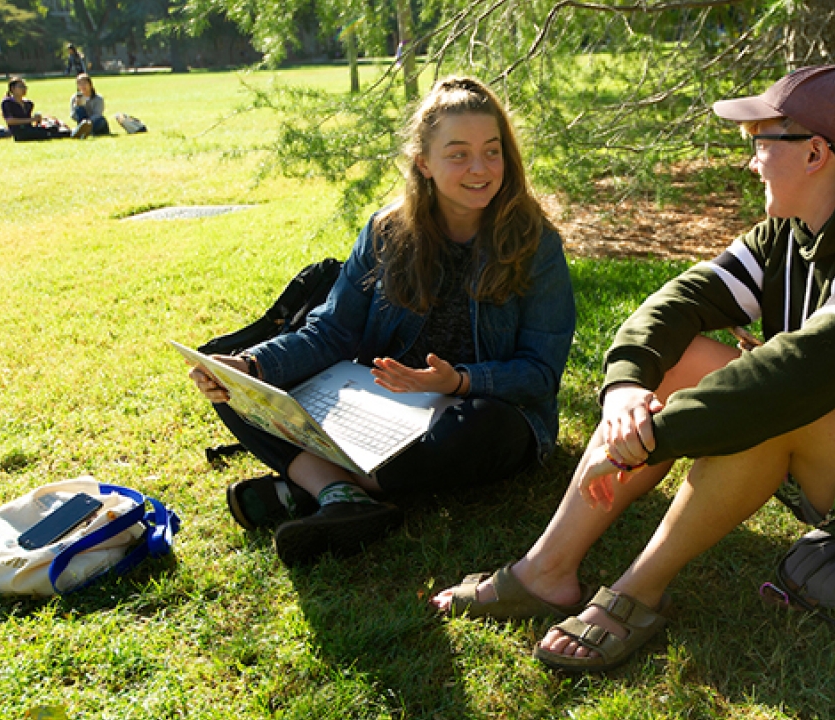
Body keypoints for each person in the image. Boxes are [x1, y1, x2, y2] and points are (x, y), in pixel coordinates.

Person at [432, 65, 835, 672]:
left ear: (815, 154)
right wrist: (625, 395)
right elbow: (676, 304)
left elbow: (808, 372)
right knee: (686, 361)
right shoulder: (791, 233)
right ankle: (547, 571)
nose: (749, 161)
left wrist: (657, 436)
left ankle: (636, 593)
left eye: (759, 143)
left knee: (780, 400)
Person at [187, 76, 576, 567]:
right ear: (424, 163)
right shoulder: (385, 232)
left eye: (492, 151)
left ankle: (318, 486)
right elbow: (332, 331)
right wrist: (250, 366)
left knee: (485, 429)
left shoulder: (534, 243)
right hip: (379, 410)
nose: (480, 168)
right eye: (458, 154)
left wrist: (458, 381)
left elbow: (540, 373)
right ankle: (341, 494)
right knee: (235, 383)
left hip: (471, 415)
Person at [1, 77, 89, 141]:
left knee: (51, 128)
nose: (24, 89)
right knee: (45, 133)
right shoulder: (7, 103)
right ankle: (74, 133)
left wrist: (38, 120)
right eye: (21, 87)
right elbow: (10, 120)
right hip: (19, 133)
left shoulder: (28, 104)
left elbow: (29, 121)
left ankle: (73, 132)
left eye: (25, 87)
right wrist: (31, 119)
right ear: (12, 89)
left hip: (29, 129)